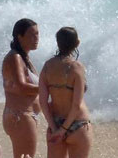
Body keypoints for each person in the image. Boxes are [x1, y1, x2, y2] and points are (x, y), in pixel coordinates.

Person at [39, 27, 92, 158]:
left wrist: (55, 128)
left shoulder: (47, 66)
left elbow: (43, 102)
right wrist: (64, 130)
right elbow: (76, 105)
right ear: (77, 43)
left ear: (58, 43)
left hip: (55, 123)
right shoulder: (77, 67)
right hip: (78, 125)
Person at [2, 18, 41, 158]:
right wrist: (47, 87)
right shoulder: (15, 58)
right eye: (32, 34)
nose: (36, 38)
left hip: (22, 115)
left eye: (37, 34)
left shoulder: (24, 57)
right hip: (20, 116)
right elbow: (22, 86)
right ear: (20, 36)